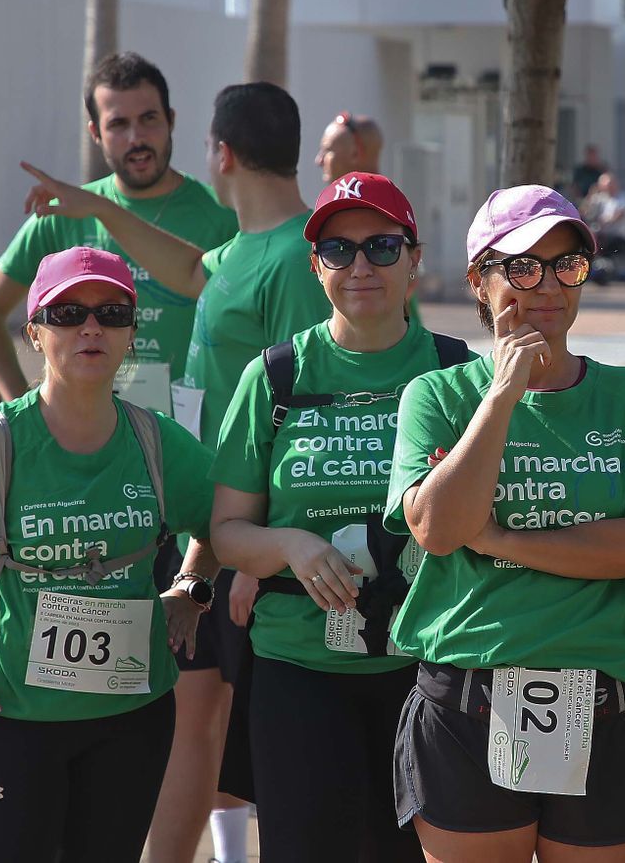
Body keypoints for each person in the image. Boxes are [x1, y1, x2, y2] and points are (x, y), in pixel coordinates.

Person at [15, 82, 330, 863]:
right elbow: (191, 268)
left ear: (218, 154)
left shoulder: (294, 258)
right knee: (195, 718)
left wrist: (259, 551)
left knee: (218, 724)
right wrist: (95, 211)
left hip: (246, 537)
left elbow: (307, 416)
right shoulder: (239, 252)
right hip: (210, 527)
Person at [0, 247, 221, 863]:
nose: (90, 327)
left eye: (111, 313)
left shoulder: (157, 441)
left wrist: (191, 586)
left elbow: (222, 521)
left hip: (130, 714)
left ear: (132, 332)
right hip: (8, 716)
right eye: (67, 312)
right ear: (34, 330)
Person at [385, 185, 625, 861]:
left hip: (608, 699)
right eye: (522, 266)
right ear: (479, 280)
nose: (547, 285)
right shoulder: (437, 396)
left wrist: (498, 539)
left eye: (567, 264)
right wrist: (500, 394)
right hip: (469, 702)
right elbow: (437, 528)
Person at [205, 172, 460, 862]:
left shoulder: (458, 375)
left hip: (428, 667)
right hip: (299, 666)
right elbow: (227, 531)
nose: (360, 267)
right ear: (315, 266)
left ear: (415, 257)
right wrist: (290, 544)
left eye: (381, 246)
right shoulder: (276, 378)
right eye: (338, 251)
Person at [0, 51, 236, 417]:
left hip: (193, 439)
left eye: (149, 119)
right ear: (95, 132)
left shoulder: (221, 215)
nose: (136, 137)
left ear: (171, 120)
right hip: (87, 439)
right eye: (118, 124)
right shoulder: (66, 213)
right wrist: (25, 412)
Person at [580, 171, 625, 286]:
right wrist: (591, 195)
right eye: (604, 186)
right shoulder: (600, 198)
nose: (607, 188)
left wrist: (604, 222)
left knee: (596, 242)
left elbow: (619, 215)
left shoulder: (623, 197)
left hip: (617, 236)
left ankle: (599, 270)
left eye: (609, 185)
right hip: (601, 235)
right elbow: (584, 212)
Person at [315, 110, 383, 184]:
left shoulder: (387, 195)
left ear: (355, 154)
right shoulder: (392, 194)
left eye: (327, 150)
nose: (319, 161)